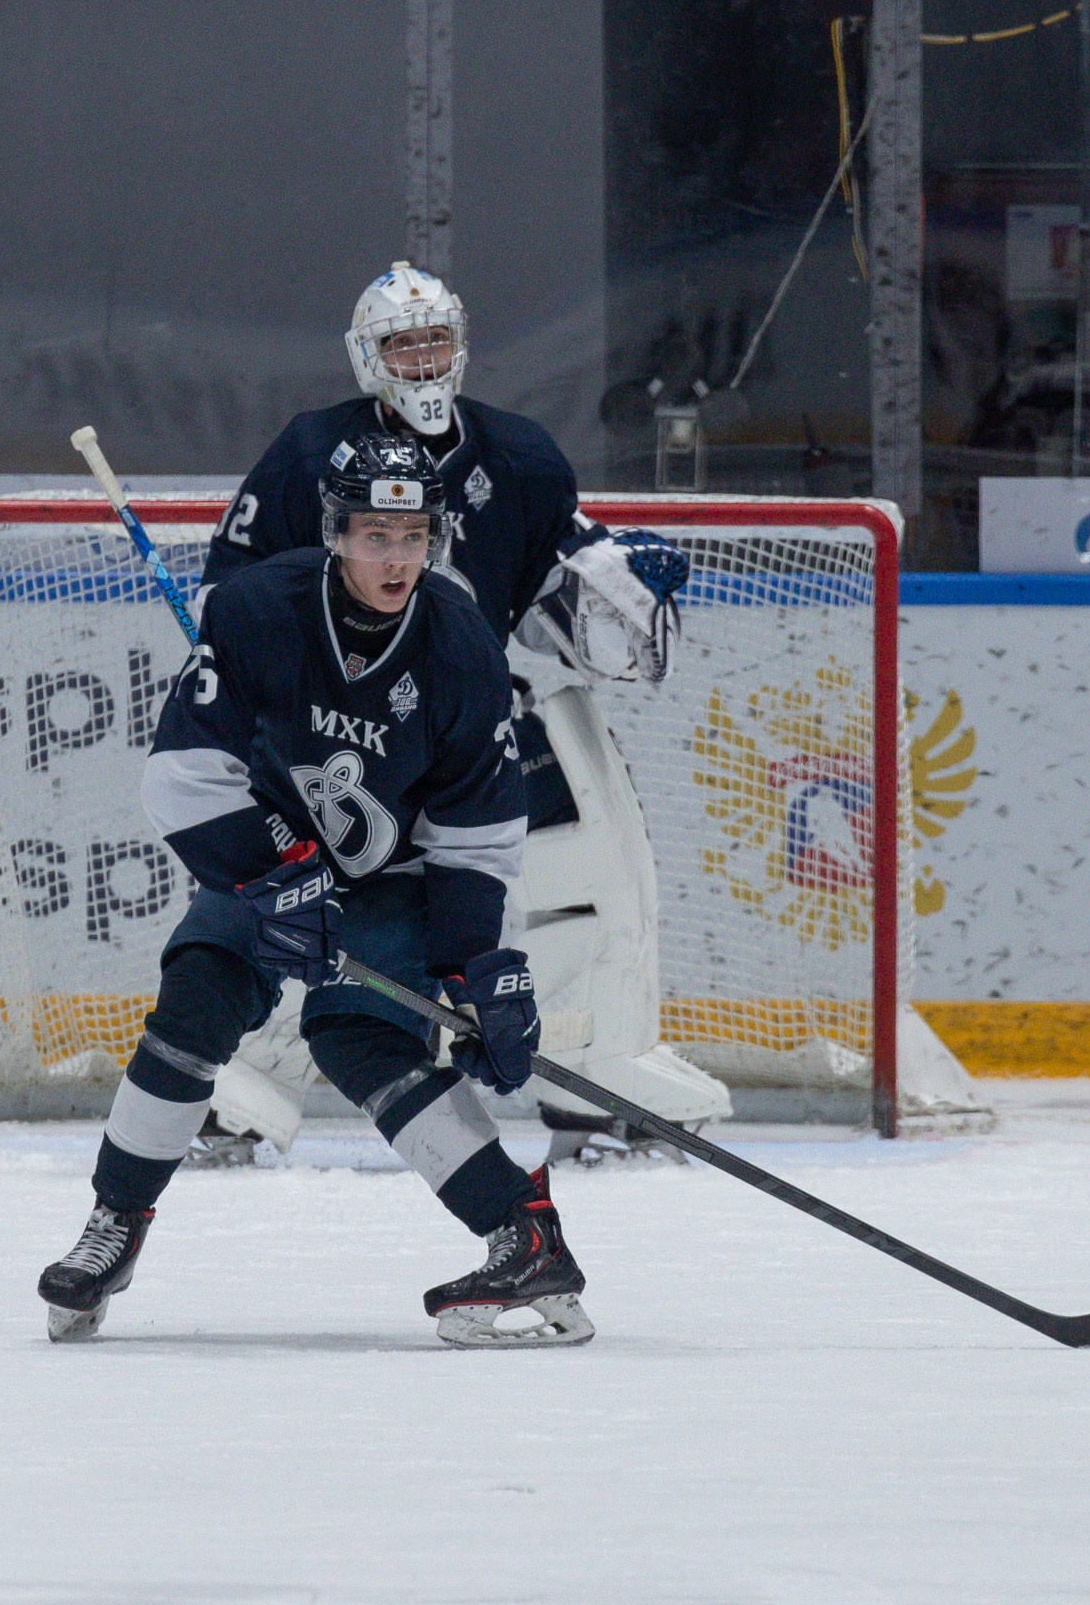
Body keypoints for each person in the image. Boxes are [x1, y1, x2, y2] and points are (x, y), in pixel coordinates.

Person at [36, 434, 592, 1348]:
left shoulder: (461, 648)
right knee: (197, 995)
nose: (398, 558)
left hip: (396, 877)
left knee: (361, 1036)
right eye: (376, 536)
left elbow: (477, 835)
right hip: (270, 857)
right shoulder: (258, 610)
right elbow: (182, 776)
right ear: (336, 533)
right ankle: (115, 1223)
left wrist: (475, 970)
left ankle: (523, 1233)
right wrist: (272, 872)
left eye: (414, 536)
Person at [191, 259, 730, 1165]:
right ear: (368, 356)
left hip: (464, 718)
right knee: (307, 897)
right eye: (402, 343)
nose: (422, 359)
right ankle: (237, 1082)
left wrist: (620, 597)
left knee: (595, 860)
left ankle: (594, 1065)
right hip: (342, 728)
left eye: (434, 340)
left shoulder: (517, 455)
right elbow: (230, 592)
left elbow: (558, 590)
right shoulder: (310, 454)